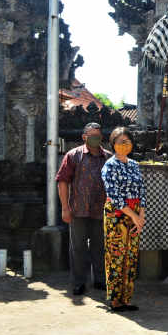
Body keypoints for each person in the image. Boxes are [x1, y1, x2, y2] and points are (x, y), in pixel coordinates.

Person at [56, 122, 111, 296]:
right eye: (91, 135)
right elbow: (62, 181)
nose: (95, 138)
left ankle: (100, 280)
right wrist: (65, 208)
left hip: (101, 210)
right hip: (78, 209)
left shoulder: (109, 157)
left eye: (98, 135)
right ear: (84, 137)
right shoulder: (73, 155)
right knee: (78, 248)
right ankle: (79, 282)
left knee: (100, 246)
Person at [101, 127, 146, 312]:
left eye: (127, 141)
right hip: (117, 215)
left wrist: (141, 215)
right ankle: (115, 300)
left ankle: (126, 298)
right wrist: (134, 215)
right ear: (113, 144)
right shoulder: (109, 166)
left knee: (131, 256)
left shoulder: (135, 164)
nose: (124, 145)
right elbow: (115, 196)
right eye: (120, 142)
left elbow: (142, 190)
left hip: (135, 215)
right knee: (116, 255)